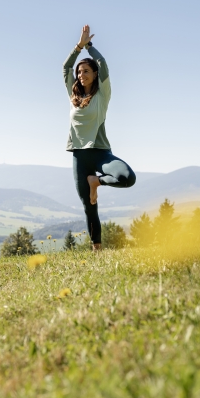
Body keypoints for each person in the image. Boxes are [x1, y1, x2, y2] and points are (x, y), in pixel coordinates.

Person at [63, 25, 136, 251]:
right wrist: (77, 47)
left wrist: (89, 47)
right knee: (89, 206)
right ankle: (97, 253)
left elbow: (103, 63)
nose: (81, 75)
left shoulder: (102, 94)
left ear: (95, 75)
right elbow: (66, 67)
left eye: (86, 71)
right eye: (79, 72)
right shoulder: (74, 96)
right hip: (79, 157)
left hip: (100, 153)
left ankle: (97, 181)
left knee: (127, 177)